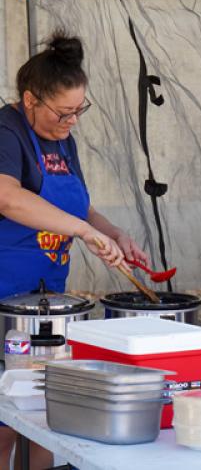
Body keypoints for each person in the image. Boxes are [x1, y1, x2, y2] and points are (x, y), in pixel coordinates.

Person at [0, 31, 148, 469]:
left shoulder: (62, 138)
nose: (72, 121)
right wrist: (83, 231)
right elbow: (7, 197)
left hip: (48, 302)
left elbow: (79, 205)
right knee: (4, 418)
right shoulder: (7, 132)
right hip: (4, 303)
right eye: (64, 112)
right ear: (31, 100)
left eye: (79, 110)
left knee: (46, 410)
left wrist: (112, 232)